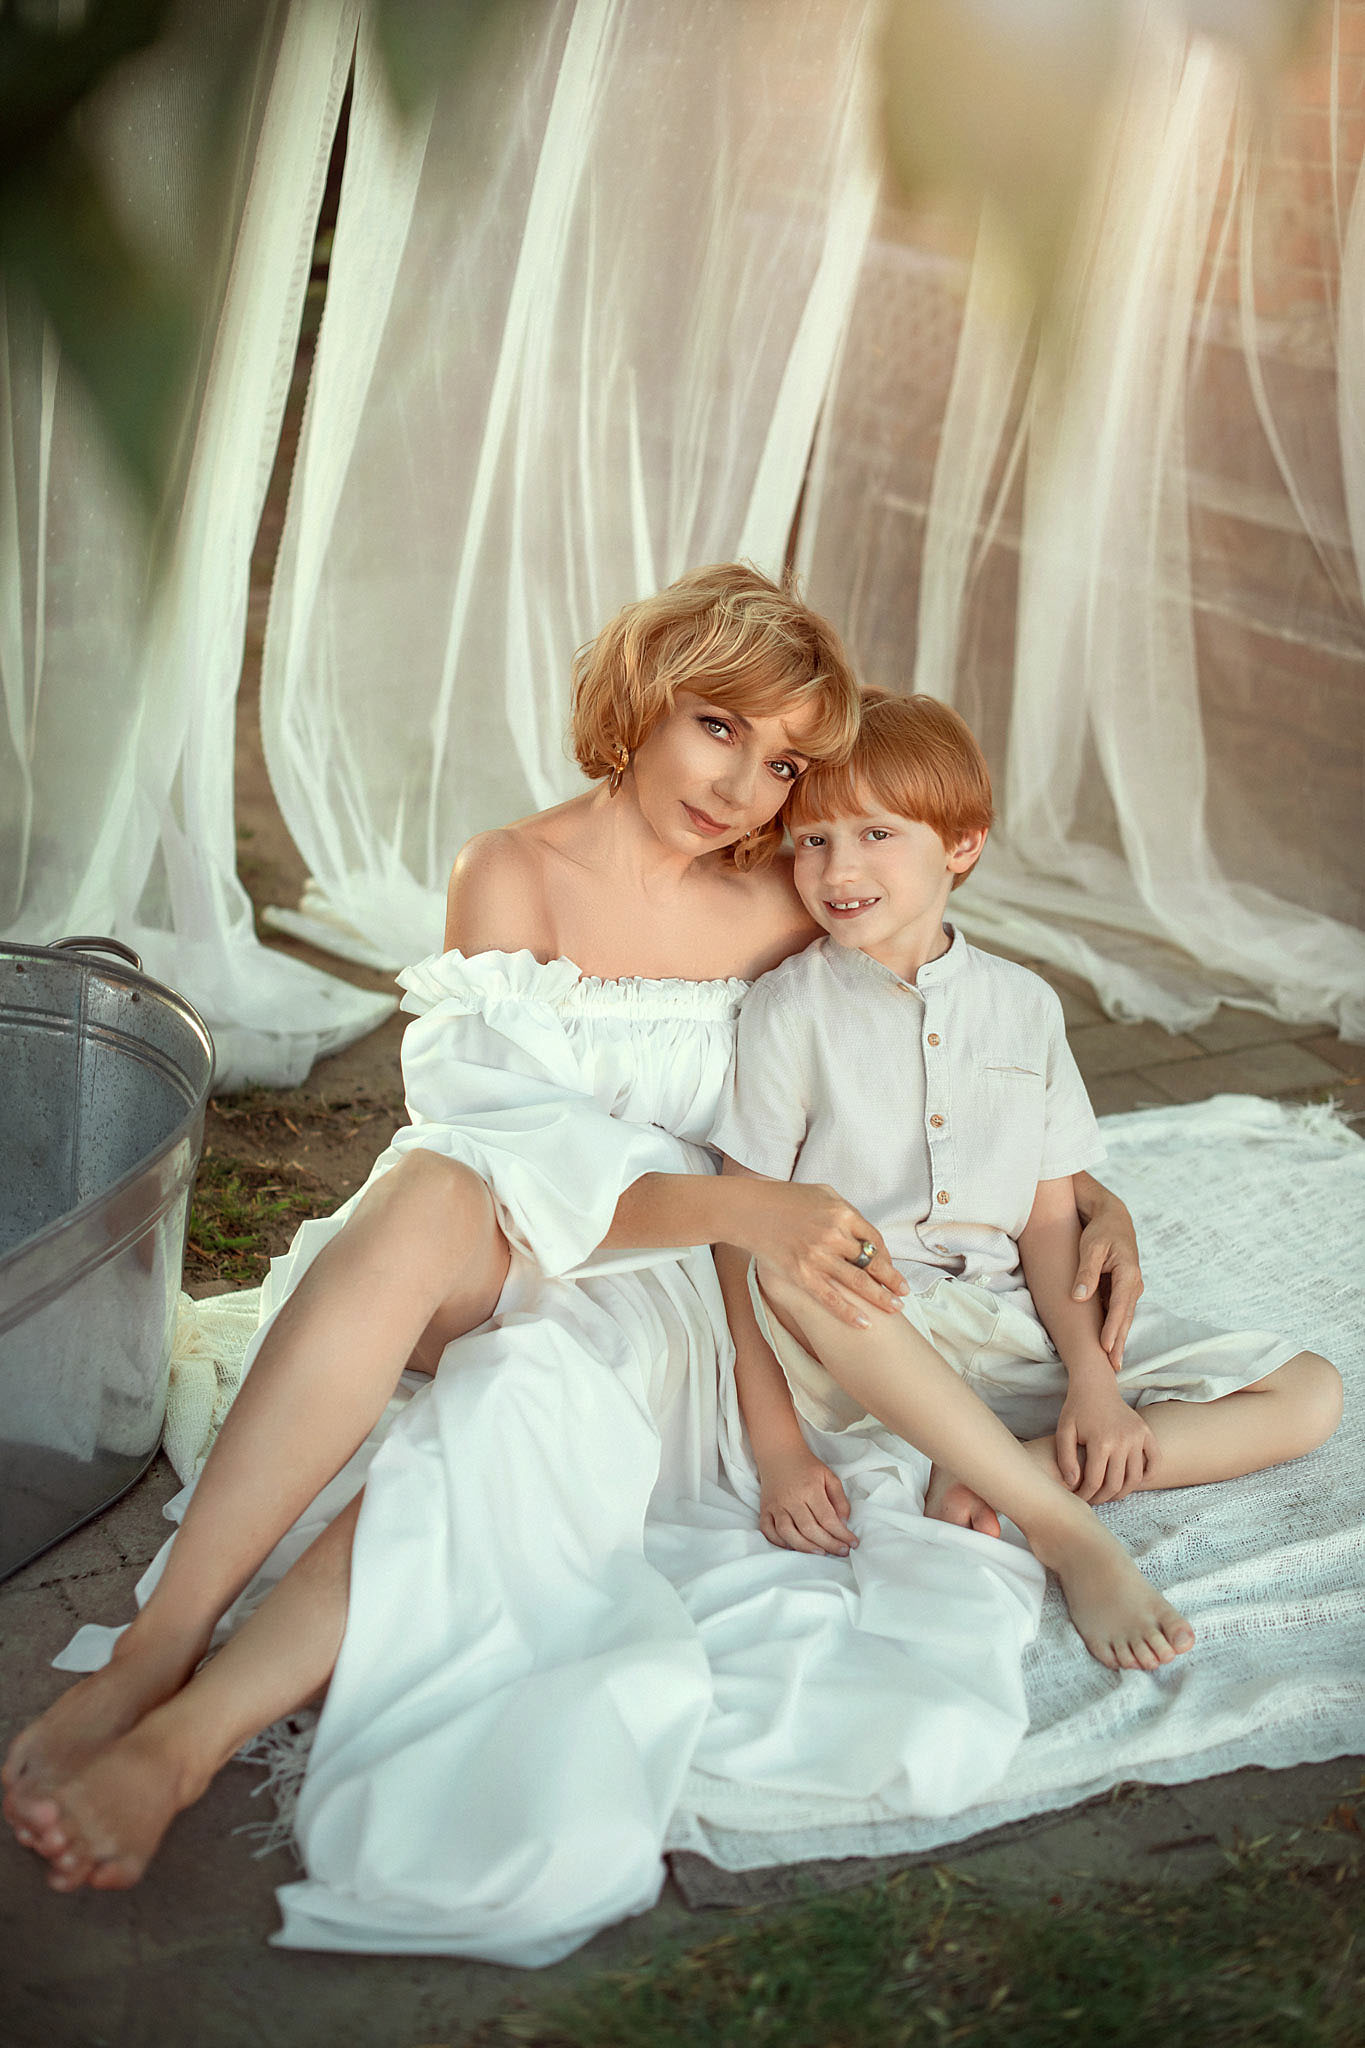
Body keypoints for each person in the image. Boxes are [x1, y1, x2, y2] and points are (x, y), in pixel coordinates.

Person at [4, 572, 1143, 1959]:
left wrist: (1088, 1192)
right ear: (646, 698)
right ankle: (156, 1645)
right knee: (425, 1185)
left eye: (785, 763)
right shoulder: (511, 871)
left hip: (669, 1287)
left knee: (515, 1402)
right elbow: (500, 1141)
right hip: (509, 1221)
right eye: (718, 727)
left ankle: (186, 1738)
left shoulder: (780, 898)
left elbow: (942, 1020)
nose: (745, 787)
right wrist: (747, 1208)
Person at [711, 690, 1342, 1669]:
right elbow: (738, 1231)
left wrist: (1092, 1384)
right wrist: (779, 1447)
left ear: (961, 844)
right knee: (799, 1267)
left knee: (1310, 1392)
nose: (837, 870)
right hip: (863, 1340)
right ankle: (1069, 1532)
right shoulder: (789, 1010)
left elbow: (1051, 1222)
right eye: (813, 840)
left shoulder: (1025, 1005)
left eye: (876, 834)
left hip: (1009, 1325)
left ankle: (1018, 1469)